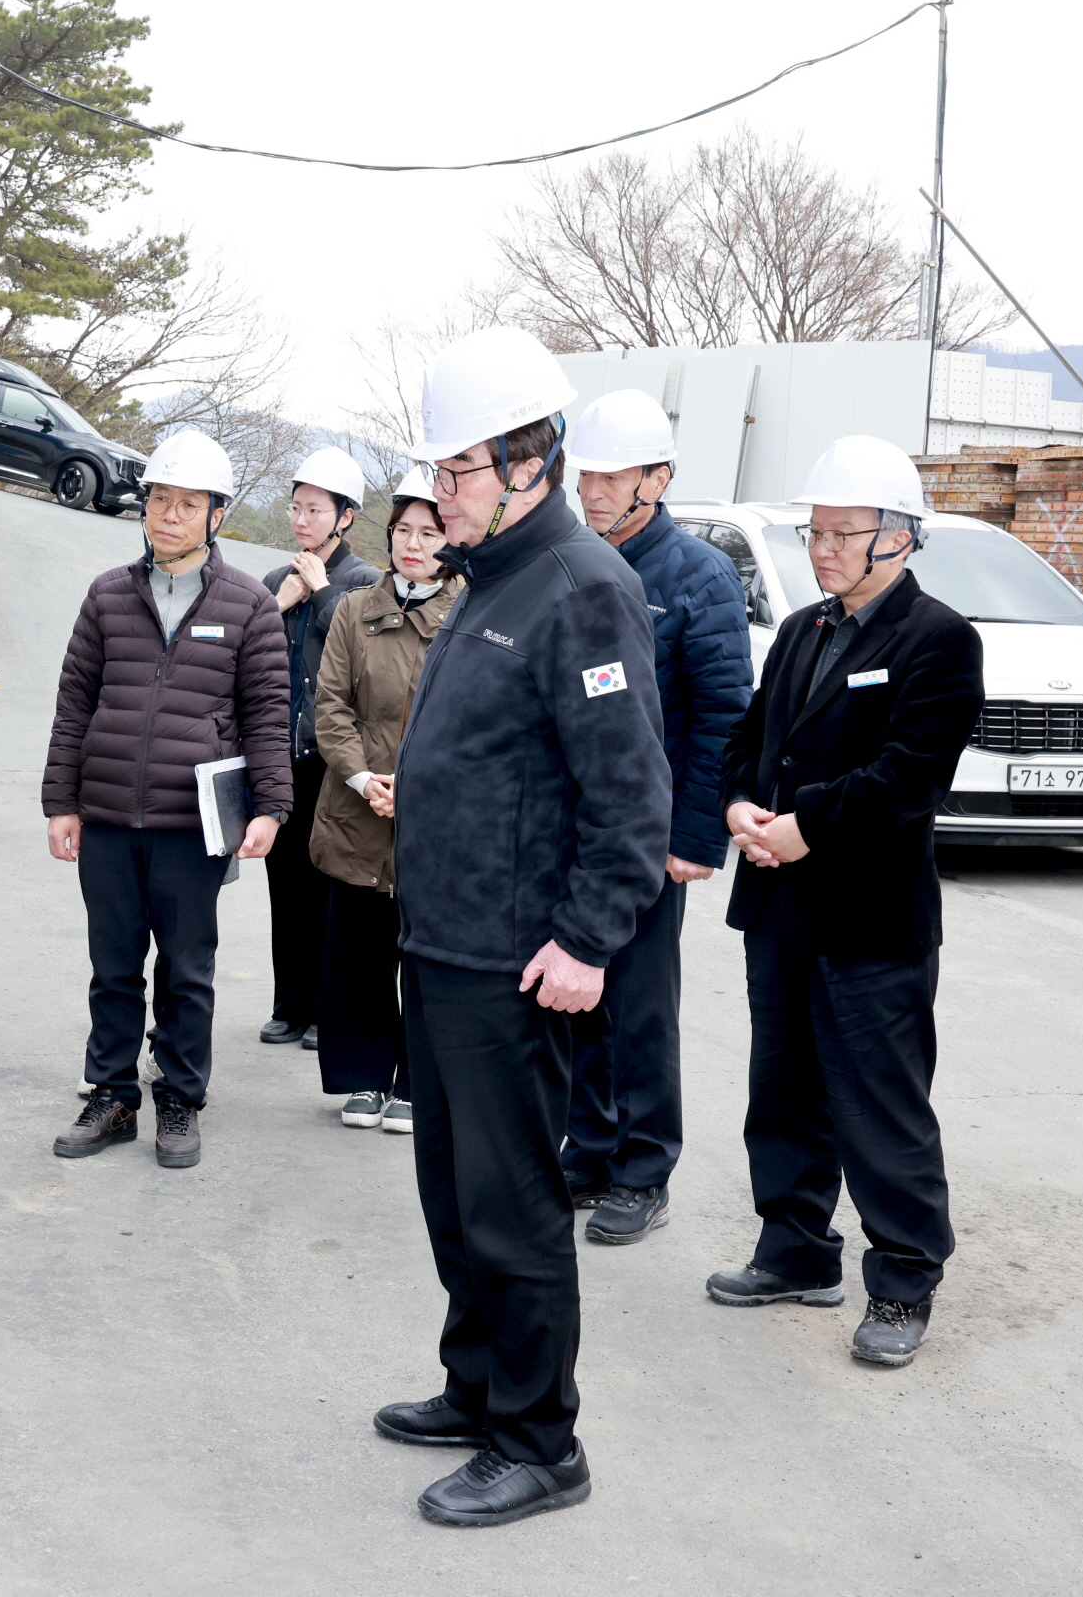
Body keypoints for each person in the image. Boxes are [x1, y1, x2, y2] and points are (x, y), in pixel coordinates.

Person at [370, 327, 670, 1528]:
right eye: (436, 476)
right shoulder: (493, 579)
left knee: (511, 1203)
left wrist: (590, 939)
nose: (437, 497)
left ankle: (540, 1441)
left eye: (454, 475)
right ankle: (479, 1384)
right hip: (443, 944)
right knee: (451, 1191)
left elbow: (629, 794)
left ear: (525, 465)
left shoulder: (584, 588)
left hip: (513, 962)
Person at [710, 435, 981, 1369]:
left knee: (879, 1105)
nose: (822, 549)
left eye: (841, 533)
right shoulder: (802, 632)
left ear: (897, 539)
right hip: (781, 908)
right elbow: (748, 740)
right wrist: (740, 803)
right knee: (782, 1093)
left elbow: (912, 776)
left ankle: (903, 1281)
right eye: (815, 532)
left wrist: (806, 824)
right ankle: (793, 1249)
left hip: (870, 919)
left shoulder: (938, 638)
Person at [43, 429, 291, 1170]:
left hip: (194, 826)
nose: (169, 516)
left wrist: (271, 808)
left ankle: (180, 1099)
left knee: (186, 967)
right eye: (159, 500)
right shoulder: (107, 595)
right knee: (112, 964)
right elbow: (74, 703)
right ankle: (113, 1094)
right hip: (110, 815)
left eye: (188, 504)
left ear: (216, 515)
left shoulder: (249, 605)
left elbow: (269, 712)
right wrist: (62, 800)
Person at [559, 391, 751, 1246]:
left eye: (613, 476)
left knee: (638, 1004)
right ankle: (590, 1148)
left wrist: (694, 835)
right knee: (574, 997)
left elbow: (721, 713)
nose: (594, 491)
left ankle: (643, 1168)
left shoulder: (697, 575)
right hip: (569, 822)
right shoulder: (567, 560)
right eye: (585, 475)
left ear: (658, 478)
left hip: (648, 830)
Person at [305, 469, 455, 1133]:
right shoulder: (353, 608)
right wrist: (365, 779)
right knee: (359, 956)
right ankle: (363, 1078)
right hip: (358, 806)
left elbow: (469, 717)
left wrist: (417, 785)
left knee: (425, 964)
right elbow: (329, 706)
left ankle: (417, 1085)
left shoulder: (470, 614)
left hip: (434, 815)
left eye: (429, 532)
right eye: (403, 532)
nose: (413, 545)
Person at [259, 446, 383, 1050]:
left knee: (331, 888)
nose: (302, 520)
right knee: (284, 884)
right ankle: (291, 1003)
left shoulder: (364, 583)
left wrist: (324, 591)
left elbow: (370, 658)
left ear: (346, 517)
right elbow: (243, 652)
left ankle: (329, 1012)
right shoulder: (272, 582)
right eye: (296, 508)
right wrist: (275, 607)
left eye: (316, 509)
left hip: (333, 761)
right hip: (279, 757)